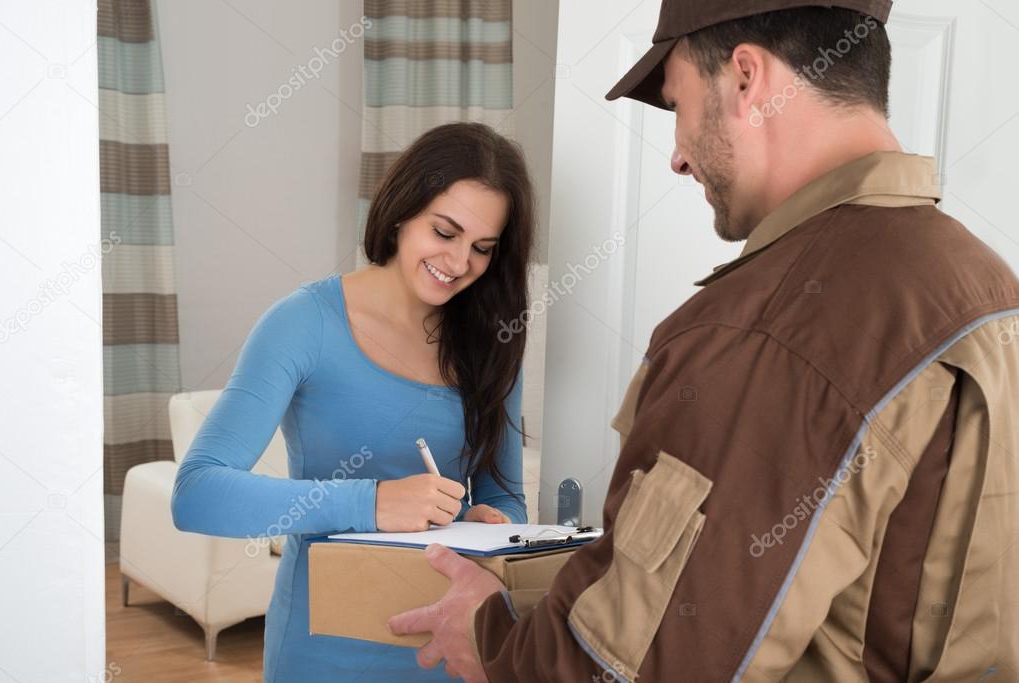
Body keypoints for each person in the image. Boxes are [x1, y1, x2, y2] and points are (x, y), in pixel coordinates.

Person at [388, 2, 1019, 681]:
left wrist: (491, 639)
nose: (678, 156)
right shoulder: (983, 282)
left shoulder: (767, 328)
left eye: (679, 103)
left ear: (745, 78)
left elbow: (648, 664)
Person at [170, 121, 536, 681]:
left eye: (482, 248)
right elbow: (197, 493)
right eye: (445, 231)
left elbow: (504, 496)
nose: (460, 262)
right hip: (325, 647)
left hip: (452, 648)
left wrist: (496, 523)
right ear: (400, 211)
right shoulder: (304, 322)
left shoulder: (491, 340)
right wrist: (371, 502)